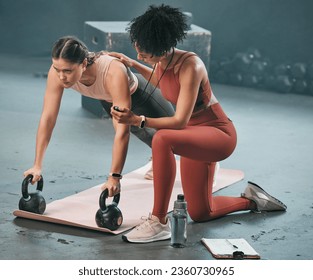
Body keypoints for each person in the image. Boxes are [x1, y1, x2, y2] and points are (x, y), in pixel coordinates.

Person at [109, 4, 287, 243]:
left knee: (162, 138)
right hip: (194, 136)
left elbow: (179, 121)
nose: (141, 56)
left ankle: (158, 221)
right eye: (138, 52)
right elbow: (164, 83)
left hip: (217, 134)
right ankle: (253, 199)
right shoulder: (163, 62)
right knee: (201, 213)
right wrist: (133, 64)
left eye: (145, 55)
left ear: (162, 49)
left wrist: (138, 120)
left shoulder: (191, 66)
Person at [23, 36, 174, 195]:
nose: (61, 77)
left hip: (143, 96)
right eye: (57, 69)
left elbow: (121, 132)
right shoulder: (57, 74)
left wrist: (114, 177)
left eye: (68, 71)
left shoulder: (112, 71)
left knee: (176, 138)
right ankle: (158, 156)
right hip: (109, 100)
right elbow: (48, 118)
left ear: (83, 64)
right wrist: (37, 165)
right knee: (144, 134)